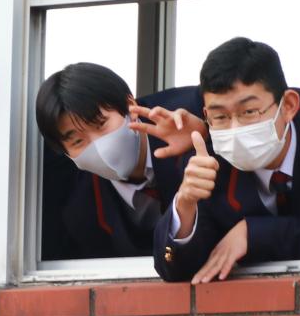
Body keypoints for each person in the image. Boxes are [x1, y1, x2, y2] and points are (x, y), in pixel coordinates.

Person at [157, 36, 300, 284]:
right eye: (220, 116)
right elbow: (176, 270)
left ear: (288, 105)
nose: (234, 129)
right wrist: (185, 204)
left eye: (248, 112)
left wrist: (254, 233)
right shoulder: (208, 160)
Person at [34, 62, 206, 260]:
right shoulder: (81, 212)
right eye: (78, 141)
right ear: (65, 152)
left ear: (130, 107)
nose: (99, 146)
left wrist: (206, 133)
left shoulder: (194, 112)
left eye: (100, 124)